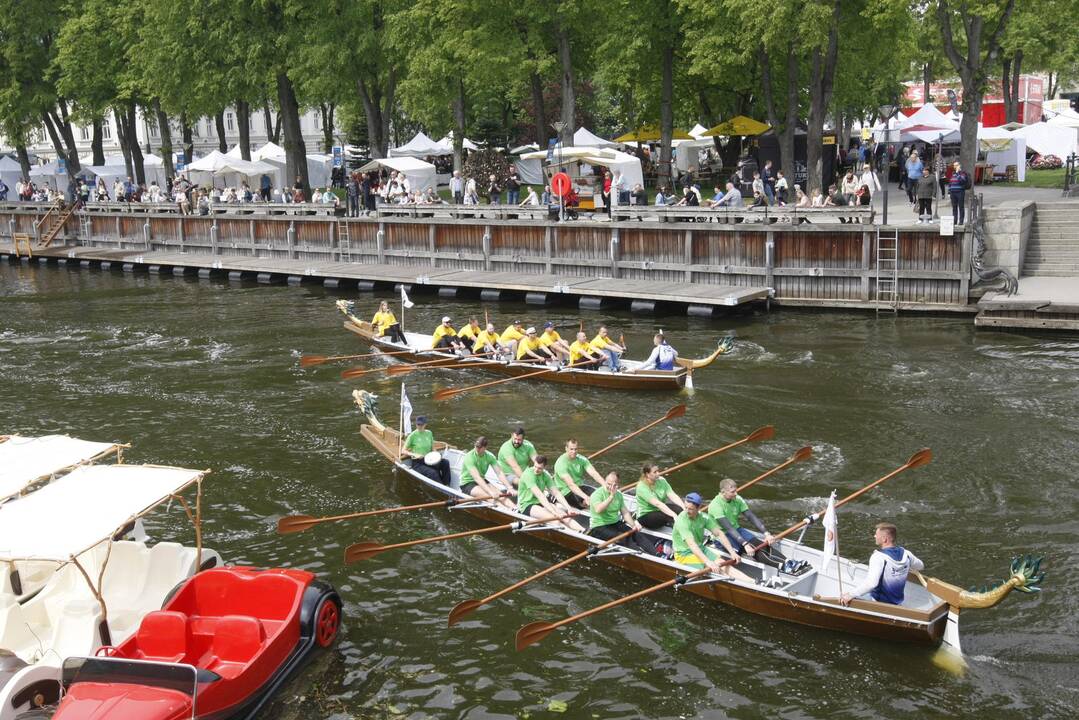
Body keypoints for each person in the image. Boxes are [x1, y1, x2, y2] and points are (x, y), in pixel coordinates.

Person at [840, 522, 924, 606]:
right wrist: (903, 568)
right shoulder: (907, 554)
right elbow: (920, 566)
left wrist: (850, 595)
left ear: (884, 539)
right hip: (898, 603)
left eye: (876, 534)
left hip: (878, 603)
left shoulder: (878, 557)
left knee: (845, 598)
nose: (874, 536)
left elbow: (871, 583)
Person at [671, 492, 746, 579]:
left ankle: (753, 582)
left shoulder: (703, 517)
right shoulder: (682, 521)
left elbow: (720, 533)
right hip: (683, 554)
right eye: (686, 507)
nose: (687, 511)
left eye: (691, 509)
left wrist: (732, 552)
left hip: (700, 548)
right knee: (714, 568)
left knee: (722, 563)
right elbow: (692, 544)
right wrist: (708, 562)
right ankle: (735, 584)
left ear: (699, 508)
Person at [707, 479, 777, 563]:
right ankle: (783, 567)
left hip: (736, 529)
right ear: (723, 492)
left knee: (761, 544)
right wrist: (745, 544)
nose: (735, 494)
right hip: (723, 535)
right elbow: (729, 528)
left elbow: (750, 516)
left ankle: (788, 562)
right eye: (732, 492)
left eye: (736, 491)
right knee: (754, 551)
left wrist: (766, 533)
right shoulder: (715, 506)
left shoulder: (737, 499)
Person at [588, 471, 656, 554]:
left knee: (636, 534)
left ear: (617, 485)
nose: (610, 487)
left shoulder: (619, 495)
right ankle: (642, 555)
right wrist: (611, 497)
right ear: (605, 481)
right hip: (599, 526)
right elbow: (598, 510)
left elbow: (625, 513)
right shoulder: (597, 494)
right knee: (624, 538)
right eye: (608, 484)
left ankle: (656, 554)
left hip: (615, 523)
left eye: (614, 485)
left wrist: (633, 525)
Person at [517, 455, 585, 532]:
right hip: (526, 505)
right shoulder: (528, 475)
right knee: (555, 520)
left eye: (539, 468)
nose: (536, 470)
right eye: (535, 466)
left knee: (565, 516)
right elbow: (540, 496)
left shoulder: (545, 475)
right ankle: (574, 535)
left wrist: (569, 508)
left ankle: (583, 531)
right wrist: (554, 513)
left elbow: (556, 493)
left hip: (540, 503)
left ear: (544, 467)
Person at [461, 437, 515, 510]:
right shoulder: (469, 457)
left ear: (485, 447)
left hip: (482, 480)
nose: (477, 448)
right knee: (489, 496)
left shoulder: (489, 456)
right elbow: (477, 477)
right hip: (467, 483)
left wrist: (509, 487)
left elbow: (499, 473)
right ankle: (507, 512)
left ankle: (515, 508)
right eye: (476, 446)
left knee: (500, 495)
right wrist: (490, 492)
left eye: (480, 447)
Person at [552, 439, 601, 510]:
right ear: (566, 448)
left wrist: (605, 484)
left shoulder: (582, 459)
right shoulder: (560, 463)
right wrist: (586, 497)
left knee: (598, 495)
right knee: (582, 501)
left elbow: (594, 473)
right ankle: (585, 506)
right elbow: (571, 485)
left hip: (579, 486)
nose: (574, 452)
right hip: (566, 491)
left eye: (576, 449)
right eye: (571, 449)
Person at [401, 416, 451, 485]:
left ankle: (446, 484)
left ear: (425, 424)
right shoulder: (412, 436)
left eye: (421, 425)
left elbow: (433, 447)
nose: (419, 426)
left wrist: (436, 453)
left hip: (429, 459)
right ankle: (442, 487)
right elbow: (403, 451)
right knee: (433, 473)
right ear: (416, 424)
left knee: (445, 463)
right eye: (418, 424)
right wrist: (414, 454)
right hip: (418, 463)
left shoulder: (429, 433)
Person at [635, 463, 685, 529]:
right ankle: (682, 532)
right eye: (655, 472)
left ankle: (684, 526)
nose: (658, 474)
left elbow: (672, 495)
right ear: (647, 474)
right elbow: (657, 504)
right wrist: (674, 515)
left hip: (658, 510)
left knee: (679, 509)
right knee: (667, 515)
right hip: (645, 515)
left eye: (658, 471)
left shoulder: (661, 480)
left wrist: (684, 508)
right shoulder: (642, 487)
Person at [948, 161, 969, 226]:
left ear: (960, 166)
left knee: (961, 207)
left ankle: (961, 221)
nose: (955, 167)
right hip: (953, 192)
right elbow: (950, 183)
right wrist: (949, 191)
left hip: (960, 192)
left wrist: (957, 173)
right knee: (954, 207)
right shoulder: (953, 173)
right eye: (954, 165)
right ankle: (954, 221)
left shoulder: (963, 173)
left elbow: (962, 181)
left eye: (956, 165)